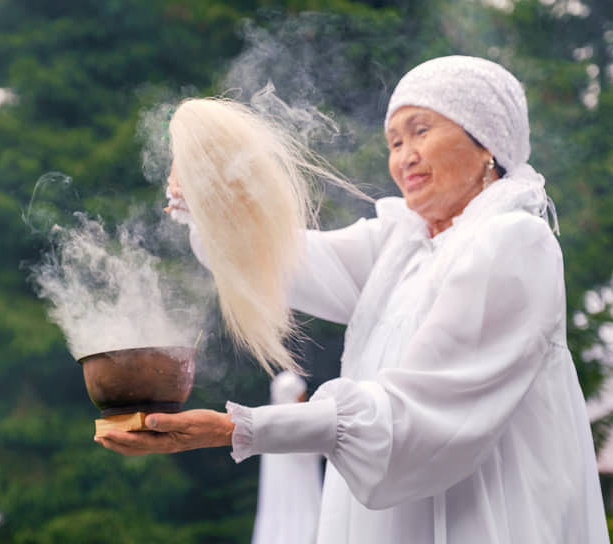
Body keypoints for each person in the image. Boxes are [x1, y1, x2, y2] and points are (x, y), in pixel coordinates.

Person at [97, 56, 609, 543]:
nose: (403, 155)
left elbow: (415, 416)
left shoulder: (513, 243)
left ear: (487, 144)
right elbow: (280, 260)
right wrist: (207, 198)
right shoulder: (400, 245)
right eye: (393, 140)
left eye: (421, 131)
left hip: (486, 518)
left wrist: (238, 428)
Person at [251, 371, 322, 544]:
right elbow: (315, 449)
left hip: (284, 496)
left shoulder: (267, 424)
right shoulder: (294, 424)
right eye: (301, 396)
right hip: (301, 493)